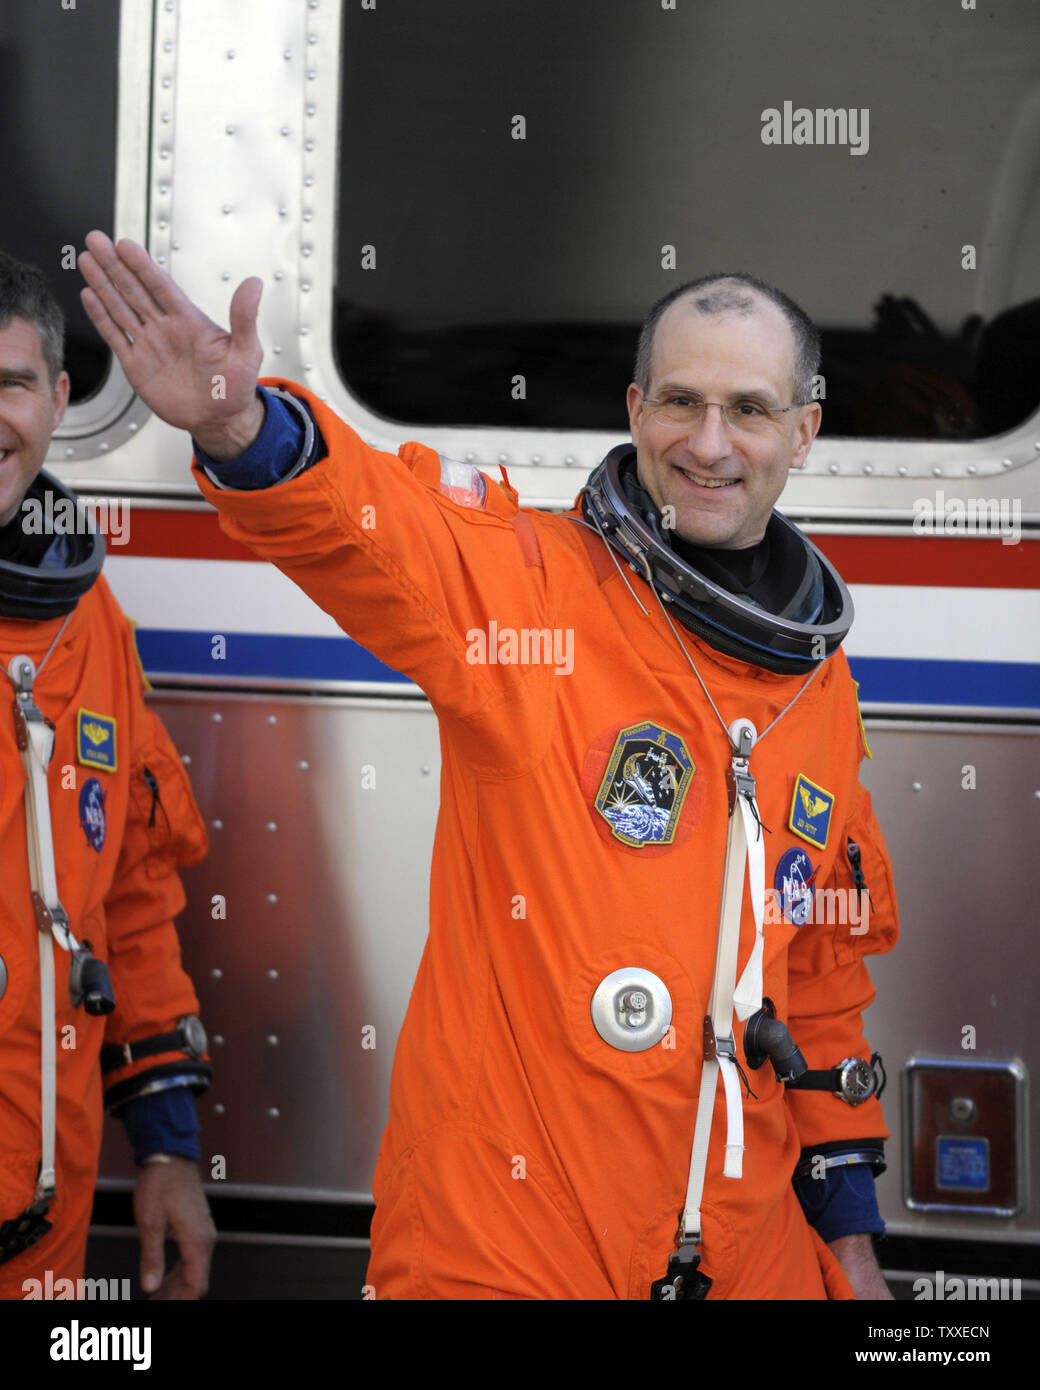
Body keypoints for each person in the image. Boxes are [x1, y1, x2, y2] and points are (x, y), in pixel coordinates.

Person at [78, 230, 900, 1301]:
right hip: (505, 1246)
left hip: (744, 1246)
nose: (708, 442)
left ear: (803, 431)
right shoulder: (534, 598)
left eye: (747, 409)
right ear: (632, 410)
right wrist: (243, 425)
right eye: (677, 402)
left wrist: (846, 1239)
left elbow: (820, 981)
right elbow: (378, 531)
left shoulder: (814, 691)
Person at [0, 251, 215, 1300]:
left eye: (9, 385)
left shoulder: (91, 626)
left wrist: (169, 1147)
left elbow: (128, 892)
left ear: (57, 399)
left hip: (46, 1204)